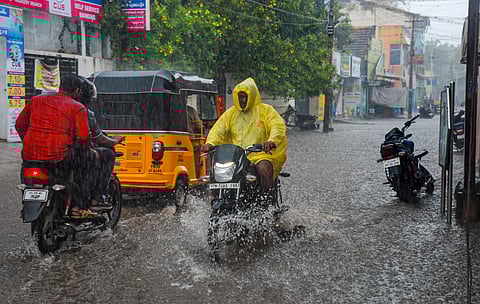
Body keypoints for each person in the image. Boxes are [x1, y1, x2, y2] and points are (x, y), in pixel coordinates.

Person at [15, 75, 100, 219]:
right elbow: (84, 137)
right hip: (59, 157)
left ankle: (28, 198)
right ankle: (80, 206)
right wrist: (89, 150)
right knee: (91, 162)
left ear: (60, 87)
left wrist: (29, 142)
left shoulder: (35, 100)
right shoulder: (77, 107)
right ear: (78, 91)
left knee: (27, 172)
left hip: (31, 154)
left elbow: (19, 125)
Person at [201, 77, 287, 197]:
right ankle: (216, 198)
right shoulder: (230, 113)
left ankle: (265, 201)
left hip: (259, 154)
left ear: (251, 96)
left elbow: (277, 127)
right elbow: (218, 130)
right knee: (216, 172)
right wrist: (210, 143)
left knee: (264, 169)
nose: (242, 100)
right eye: (240, 97)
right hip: (235, 156)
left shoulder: (266, 111)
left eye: (244, 97)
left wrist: (271, 141)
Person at [76, 76, 124, 208]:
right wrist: (114, 142)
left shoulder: (41, 103)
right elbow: (94, 137)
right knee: (108, 155)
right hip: (74, 154)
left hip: (42, 154)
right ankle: (97, 198)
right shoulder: (81, 111)